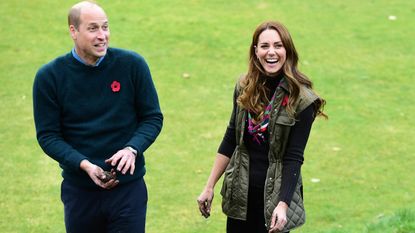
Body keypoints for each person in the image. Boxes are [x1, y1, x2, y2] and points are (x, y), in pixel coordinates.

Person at [33, 1, 163, 232]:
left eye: (105, 27)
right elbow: (48, 136)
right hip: (80, 193)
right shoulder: (49, 77)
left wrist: (131, 149)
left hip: (128, 191)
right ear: (73, 31)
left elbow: (152, 118)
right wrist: (85, 165)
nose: (102, 35)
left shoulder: (132, 65)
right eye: (93, 28)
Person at [197, 20, 326, 233]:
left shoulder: (302, 100)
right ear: (256, 51)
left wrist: (283, 205)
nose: (271, 52)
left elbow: (294, 158)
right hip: (240, 195)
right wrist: (209, 186)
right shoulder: (244, 87)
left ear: (288, 51)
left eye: (278, 45)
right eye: (264, 46)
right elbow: (231, 138)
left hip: (275, 200)